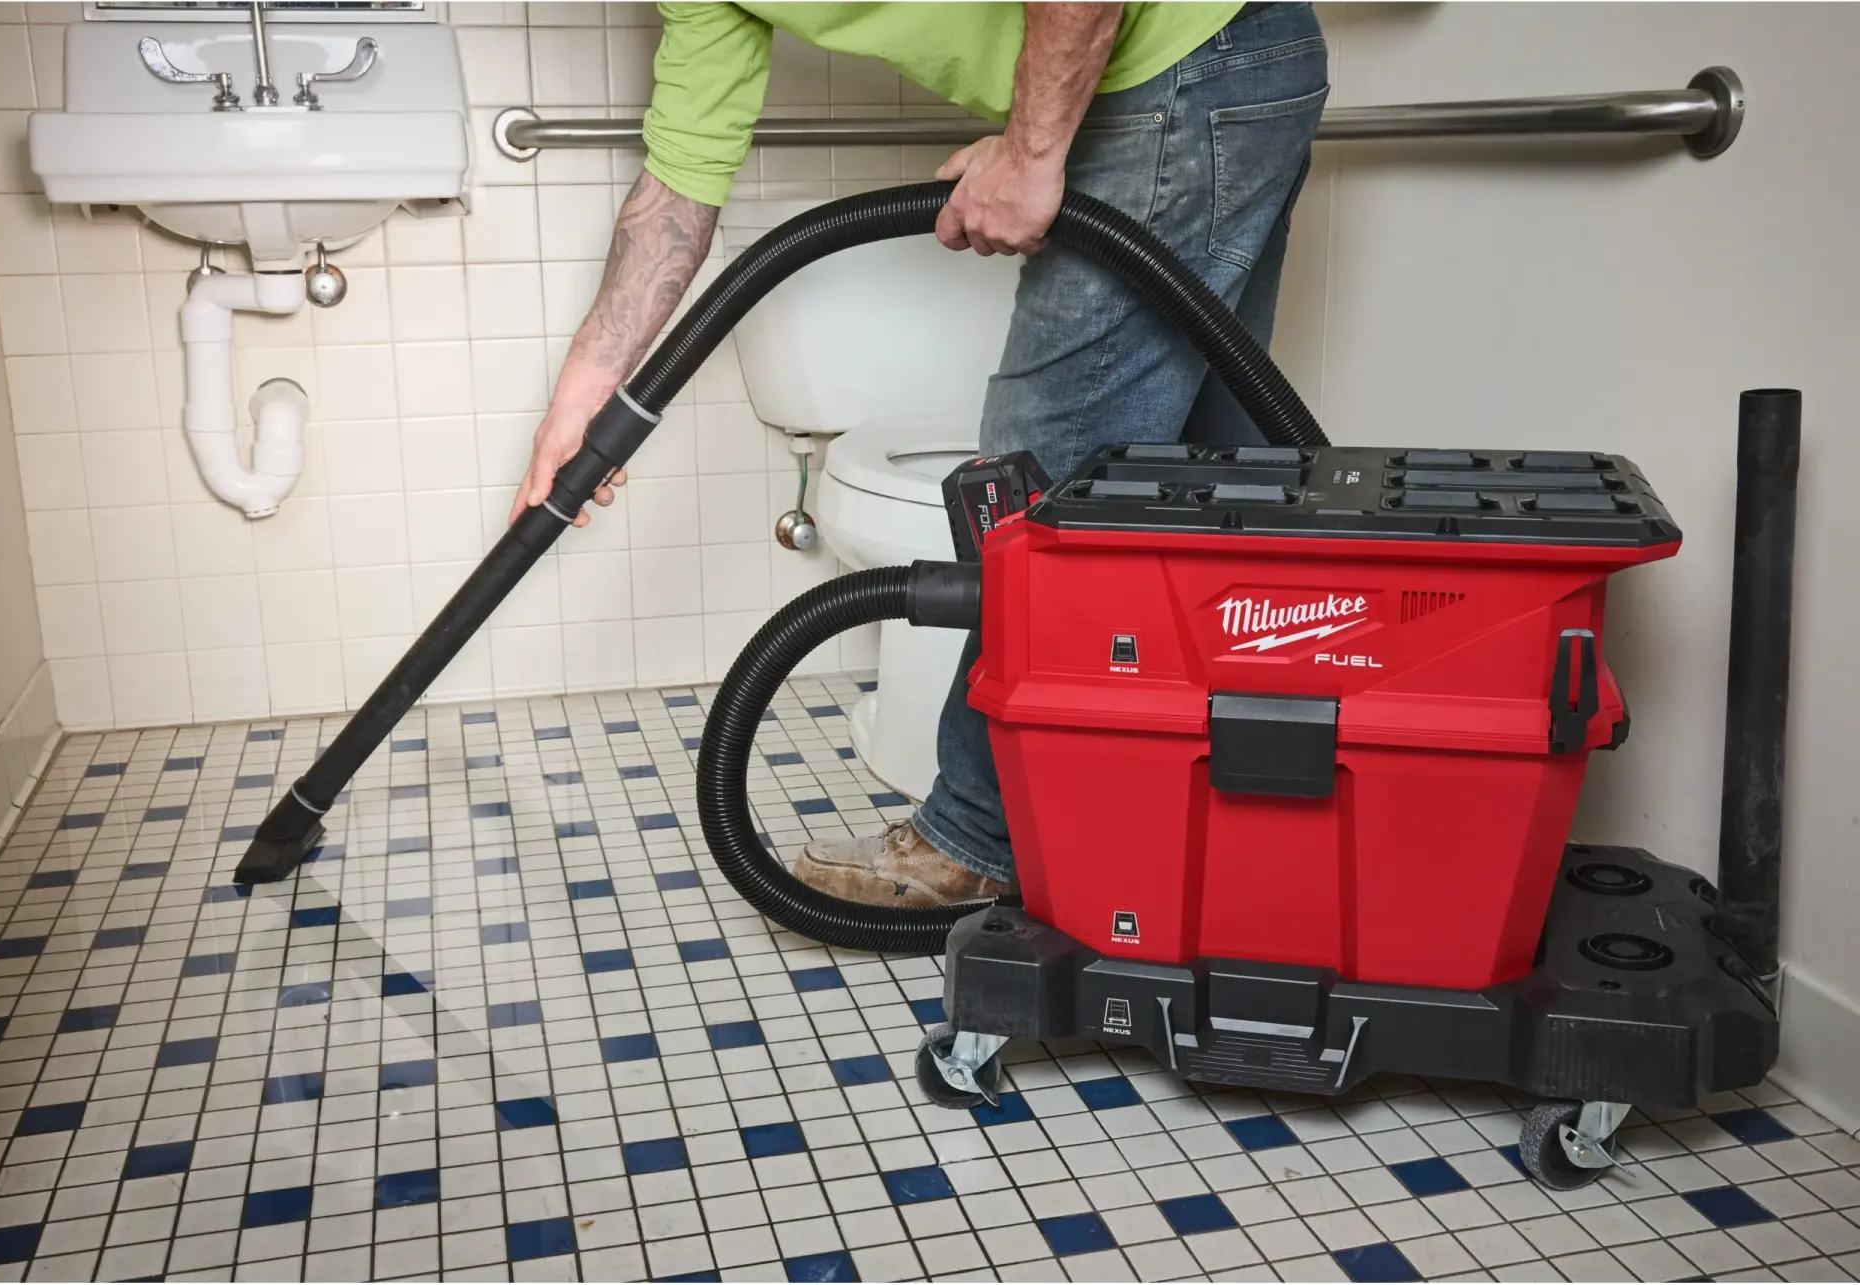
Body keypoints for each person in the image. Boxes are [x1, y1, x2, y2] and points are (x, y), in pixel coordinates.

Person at [510, 2, 1328, 909]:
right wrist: (587, 388)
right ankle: (1257, 800)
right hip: (1203, 62)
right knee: (1209, 478)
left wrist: (1029, 154)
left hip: (1182, 59)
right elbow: (680, 184)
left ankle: (980, 841)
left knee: (1038, 490)